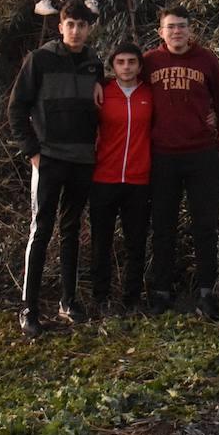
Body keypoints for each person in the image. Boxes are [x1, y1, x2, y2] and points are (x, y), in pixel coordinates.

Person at [8, 0, 102, 337]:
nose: (76, 31)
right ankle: (29, 308)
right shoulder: (39, 60)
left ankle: (68, 301)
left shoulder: (94, 64)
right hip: (48, 159)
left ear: (89, 29)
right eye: (70, 25)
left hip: (82, 160)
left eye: (82, 25)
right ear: (60, 27)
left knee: (72, 230)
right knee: (41, 230)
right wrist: (32, 152)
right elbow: (16, 108)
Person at [143, 6, 219, 320]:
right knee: (163, 226)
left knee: (205, 226)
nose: (176, 31)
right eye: (170, 27)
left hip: (201, 155)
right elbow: (129, 90)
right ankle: (162, 291)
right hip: (162, 156)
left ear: (190, 29)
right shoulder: (149, 61)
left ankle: (207, 292)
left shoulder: (206, 60)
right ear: (161, 32)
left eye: (181, 26)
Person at [88, 40, 153, 315]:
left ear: (139, 66)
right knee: (101, 242)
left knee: (135, 243)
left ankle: (131, 299)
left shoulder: (150, 94)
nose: (126, 67)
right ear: (113, 66)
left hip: (139, 180)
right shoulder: (102, 93)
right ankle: (100, 297)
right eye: (121, 62)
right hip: (104, 178)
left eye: (132, 62)